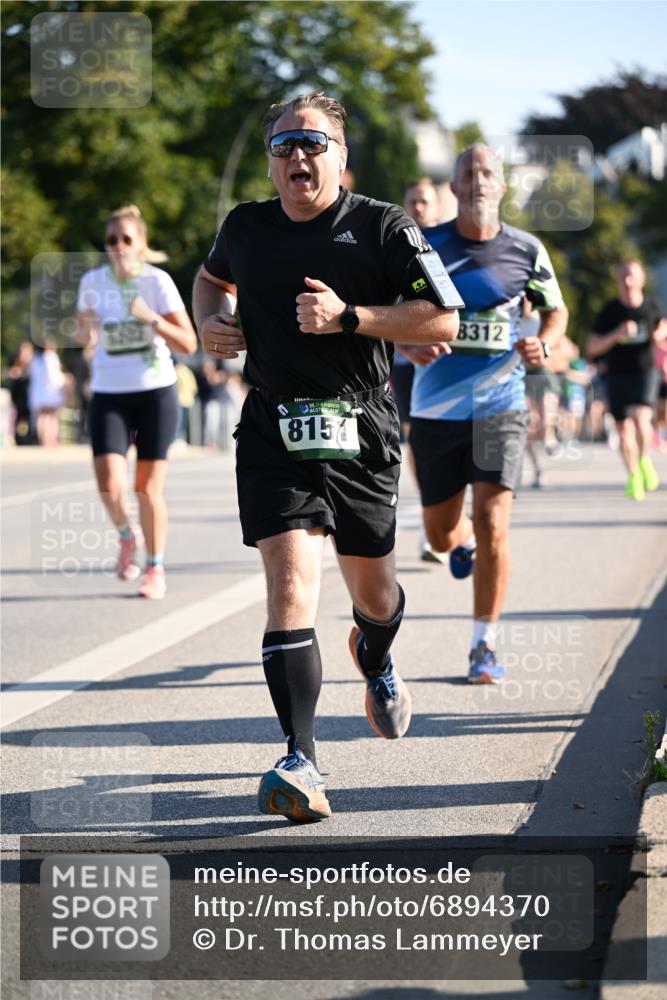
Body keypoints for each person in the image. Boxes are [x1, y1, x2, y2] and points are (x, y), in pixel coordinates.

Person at [193, 91, 460, 823]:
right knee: (288, 589)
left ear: (340, 157)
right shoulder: (245, 227)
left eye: (311, 144)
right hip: (273, 427)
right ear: (271, 163)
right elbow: (212, 278)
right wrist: (209, 323)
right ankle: (300, 758)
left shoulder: (382, 227)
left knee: (374, 597)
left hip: (362, 429)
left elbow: (443, 315)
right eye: (283, 146)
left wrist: (352, 317)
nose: (297, 157)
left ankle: (374, 654)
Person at [404, 144, 568, 683]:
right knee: (442, 533)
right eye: (467, 173)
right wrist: (408, 346)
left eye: (487, 173)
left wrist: (544, 342)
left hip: (500, 406)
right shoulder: (426, 246)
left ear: (501, 186)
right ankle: (462, 543)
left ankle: (484, 644)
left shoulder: (526, 249)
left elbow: (555, 310)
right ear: (453, 187)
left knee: (495, 522)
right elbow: (391, 312)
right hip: (435, 410)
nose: (477, 181)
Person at [76, 204, 197, 598]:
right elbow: (83, 332)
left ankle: (155, 567)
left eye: (126, 239)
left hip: (154, 391)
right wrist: (87, 336)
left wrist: (152, 319)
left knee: (147, 487)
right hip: (109, 392)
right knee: (109, 482)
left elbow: (189, 342)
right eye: (111, 240)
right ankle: (127, 535)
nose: (118, 246)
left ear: (141, 244)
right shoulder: (92, 281)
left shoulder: (157, 282)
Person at [587, 260, 667, 500]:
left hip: (645, 372)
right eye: (623, 276)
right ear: (617, 280)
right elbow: (592, 347)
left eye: (632, 276)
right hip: (616, 375)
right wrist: (616, 334)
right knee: (623, 431)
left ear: (642, 279)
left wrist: (659, 335)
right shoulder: (610, 311)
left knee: (642, 419)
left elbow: (663, 330)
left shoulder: (652, 306)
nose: (628, 281)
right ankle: (633, 474)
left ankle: (643, 460)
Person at [28, 338, 66, 447]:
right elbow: (54, 377)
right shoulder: (50, 358)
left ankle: (43, 439)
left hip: (39, 392)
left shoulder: (35, 359)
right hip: (50, 392)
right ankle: (50, 439)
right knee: (50, 416)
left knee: (42, 416)